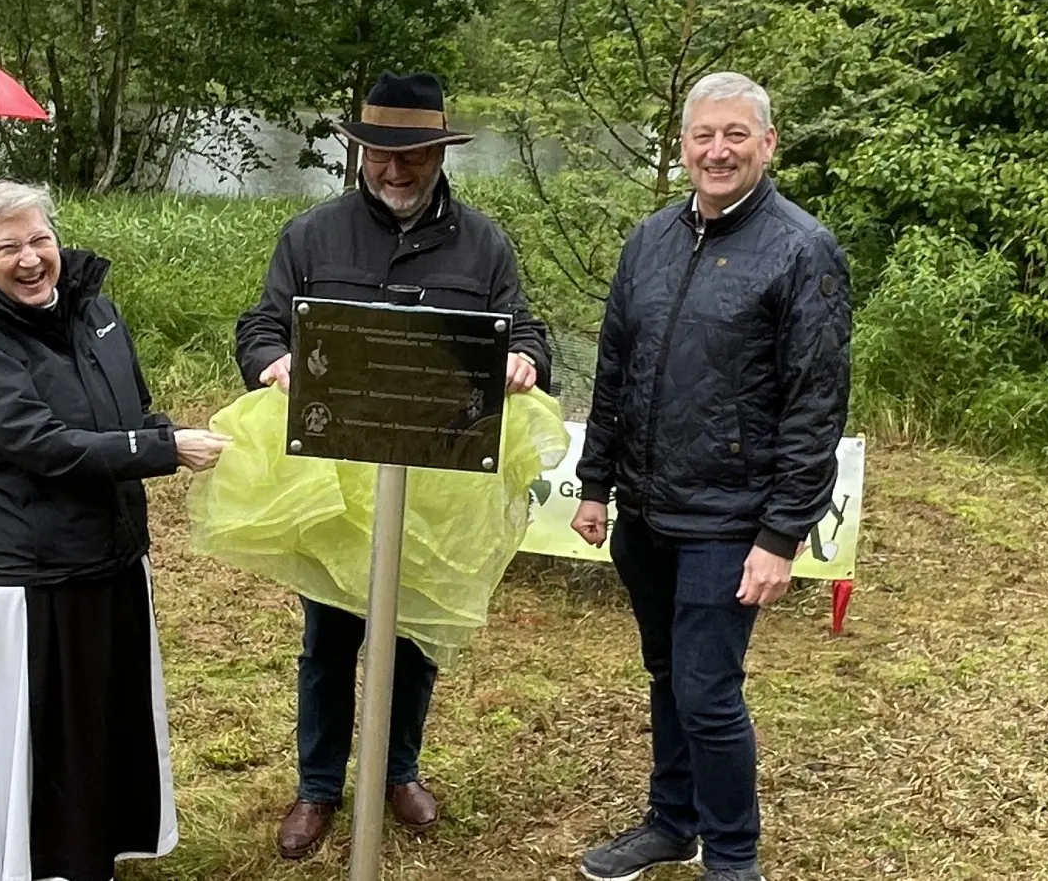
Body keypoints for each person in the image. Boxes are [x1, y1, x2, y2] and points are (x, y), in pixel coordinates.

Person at [235, 69, 553, 860]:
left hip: (436, 483)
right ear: (361, 155)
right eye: (381, 154)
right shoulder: (311, 235)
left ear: (441, 153)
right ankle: (317, 787)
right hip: (333, 484)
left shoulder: (484, 244)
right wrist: (272, 362)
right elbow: (261, 324)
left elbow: (531, 332)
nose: (396, 170)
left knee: (416, 634)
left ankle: (398, 769)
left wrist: (522, 358)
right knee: (328, 641)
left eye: (414, 157)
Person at [569, 72, 852, 881]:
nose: (717, 151)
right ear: (683, 146)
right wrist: (595, 484)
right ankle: (673, 820)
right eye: (703, 136)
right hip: (648, 509)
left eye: (736, 135)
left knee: (706, 690)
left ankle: (733, 858)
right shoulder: (650, 241)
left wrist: (780, 534)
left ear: (766, 144)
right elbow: (615, 369)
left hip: (733, 520)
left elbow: (815, 403)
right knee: (668, 674)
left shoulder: (802, 250)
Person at [0, 179, 230, 881]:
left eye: (41, 240)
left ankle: (93, 856)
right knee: (47, 740)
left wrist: (184, 435)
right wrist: (163, 450)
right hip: (36, 578)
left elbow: (134, 410)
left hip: (115, 558)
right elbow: (44, 446)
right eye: (9, 247)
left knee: (102, 728)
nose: (31, 259)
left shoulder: (98, 313)